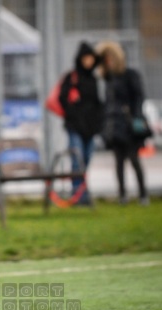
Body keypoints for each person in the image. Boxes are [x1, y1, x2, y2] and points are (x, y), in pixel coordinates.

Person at [96, 41, 150, 206]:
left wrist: (137, 118)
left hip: (129, 124)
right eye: (105, 59)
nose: (108, 62)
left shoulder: (130, 75)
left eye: (110, 58)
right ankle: (122, 195)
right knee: (118, 161)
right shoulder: (109, 79)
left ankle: (143, 194)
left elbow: (139, 97)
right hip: (114, 126)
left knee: (134, 159)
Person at [58, 41, 103, 205]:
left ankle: (82, 193)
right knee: (77, 161)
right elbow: (62, 98)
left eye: (91, 58)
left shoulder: (93, 79)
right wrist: (73, 113)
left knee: (87, 159)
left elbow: (97, 103)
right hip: (75, 126)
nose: (88, 61)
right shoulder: (72, 77)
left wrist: (99, 122)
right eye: (86, 58)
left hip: (91, 128)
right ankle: (78, 197)